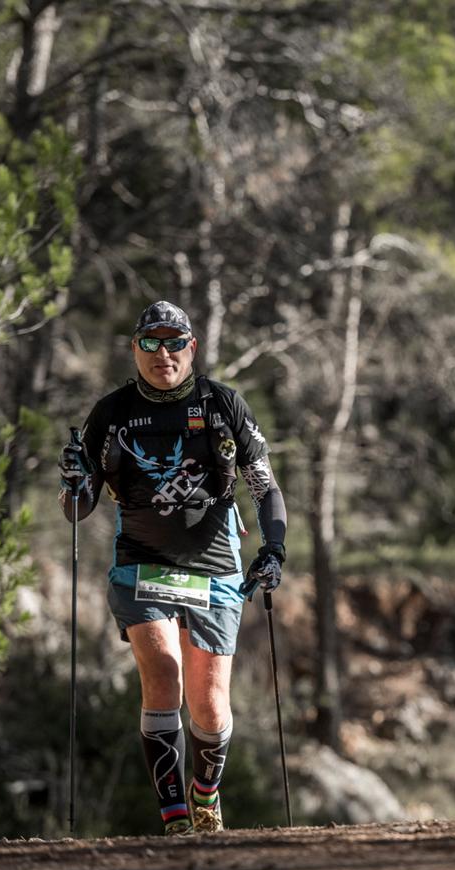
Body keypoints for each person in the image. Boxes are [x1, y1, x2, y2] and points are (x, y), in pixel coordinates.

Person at [59, 300, 287, 836]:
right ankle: (175, 819)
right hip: (143, 565)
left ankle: (205, 794)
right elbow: (78, 507)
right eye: (150, 343)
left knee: (209, 704)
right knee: (163, 673)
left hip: (215, 566)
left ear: (192, 348)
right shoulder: (111, 412)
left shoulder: (223, 403)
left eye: (175, 342)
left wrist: (273, 549)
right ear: (134, 349)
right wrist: (73, 480)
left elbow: (264, 485)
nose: (164, 353)